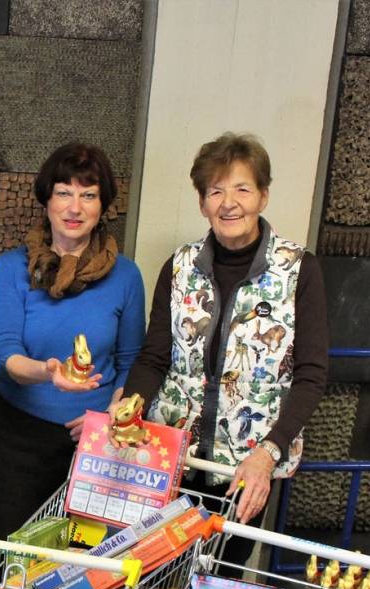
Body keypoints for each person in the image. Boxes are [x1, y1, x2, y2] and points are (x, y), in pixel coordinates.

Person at [123, 132, 327, 544]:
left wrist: (268, 455)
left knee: (222, 577)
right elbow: (154, 358)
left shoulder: (299, 270)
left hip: (247, 466)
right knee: (155, 572)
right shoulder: (179, 268)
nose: (228, 203)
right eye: (215, 191)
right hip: (170, 457)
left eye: (242, 189)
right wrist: (129, 408)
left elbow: (311, 375)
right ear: (202, 203)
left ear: (263, 197)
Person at [0, 142, 146, 559]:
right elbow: (5, 357)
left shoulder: (126, 277)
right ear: (46, 200)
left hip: (96, 448)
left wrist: (107, 420)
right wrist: (48, 372)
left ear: (103, 206)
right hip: (18, 439)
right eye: (64, 192)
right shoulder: (12, 268)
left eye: (88, 194)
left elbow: (131, 359)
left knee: (81, 570)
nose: (74, 206)